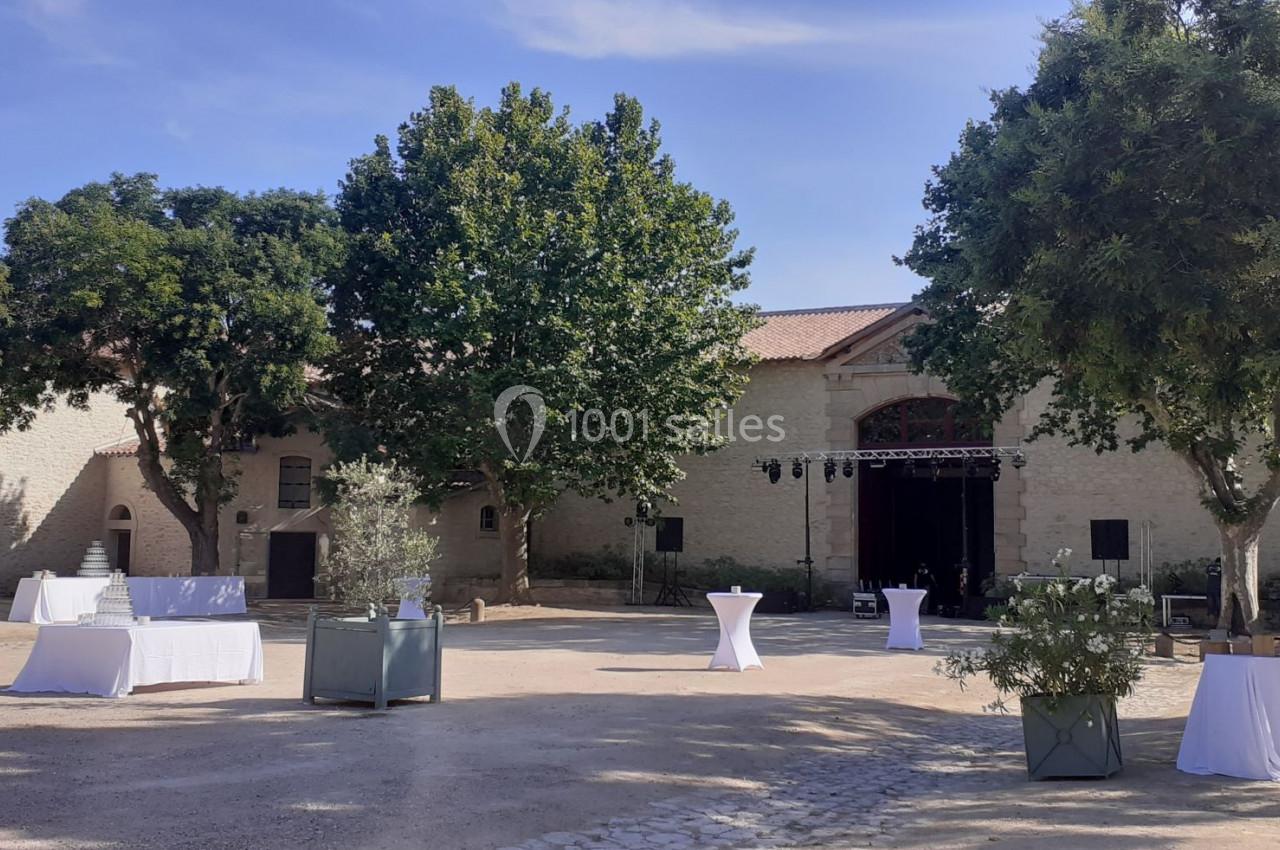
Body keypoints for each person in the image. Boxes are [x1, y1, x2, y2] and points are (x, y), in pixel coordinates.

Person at [1205, 557, 1223, 623]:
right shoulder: (1222, 568)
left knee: (1210, 607)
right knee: (1219, 606)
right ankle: (1218, 622)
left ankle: (1211, 623)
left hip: (1209, 588)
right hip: (1218, 589)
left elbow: (1207, 572)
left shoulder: (1209, 567)